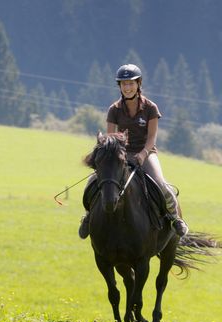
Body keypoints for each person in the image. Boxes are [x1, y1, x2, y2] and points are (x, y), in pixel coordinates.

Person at [78, 63, 189, 238]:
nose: (127, 88)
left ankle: (175, 219)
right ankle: (88, 216)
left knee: (160, 184)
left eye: (131, 83)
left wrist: (143, 154)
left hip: (146, 153)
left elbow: (152, 137)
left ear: (138, 84)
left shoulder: (151, 108)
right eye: (124, 84)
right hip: (120, 154)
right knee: (93, 182)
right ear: (119, 86)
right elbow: (111, 137)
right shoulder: (114, 109)